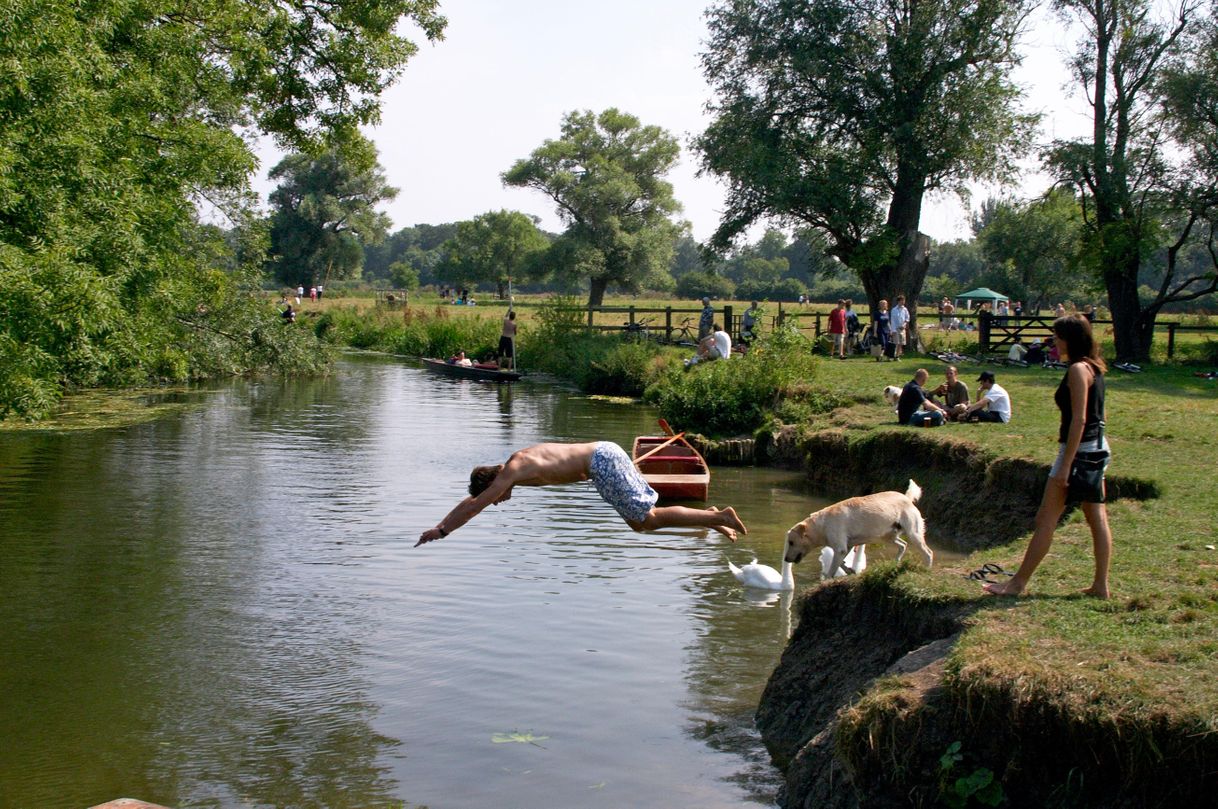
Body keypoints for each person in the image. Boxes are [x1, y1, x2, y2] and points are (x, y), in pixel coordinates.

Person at [985, 314, 1112, 598]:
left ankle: (1017, 584)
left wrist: (1065, 465)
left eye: (1056, 336)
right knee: (1097, 518)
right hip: (1097, 449)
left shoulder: (1078, 370)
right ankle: (1101, 586)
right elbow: (1097, 416)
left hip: (1077, 452)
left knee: (1046, 519)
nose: (1053, 341)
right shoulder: (1095, 367)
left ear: (1069, 338)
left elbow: (1079, 420)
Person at [416, 441, 748, 545]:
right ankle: (711, 520)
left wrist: (442, 531)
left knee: (649, 519)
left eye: (495, 497)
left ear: (492, 484)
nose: (498, 502)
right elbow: (472, 502)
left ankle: (717, 516)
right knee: (639, 524)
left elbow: (475, 507)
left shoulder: (512, 472)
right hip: (602, 460)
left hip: (601, 462)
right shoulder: (512, 469)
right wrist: (442, 523)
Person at [888, 295, 910, 360]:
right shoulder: (894, 310)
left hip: (902, 328)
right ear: (898, 301)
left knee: (901, 343)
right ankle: (891, 355)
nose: (903, 302)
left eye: (904, 300)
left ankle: (897, 356)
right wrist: (893, 330)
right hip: (896, 328)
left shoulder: (905, 309)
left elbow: (907, 318)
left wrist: (904, 324)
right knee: (895, 342)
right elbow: (893, 320)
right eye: (902, 300)